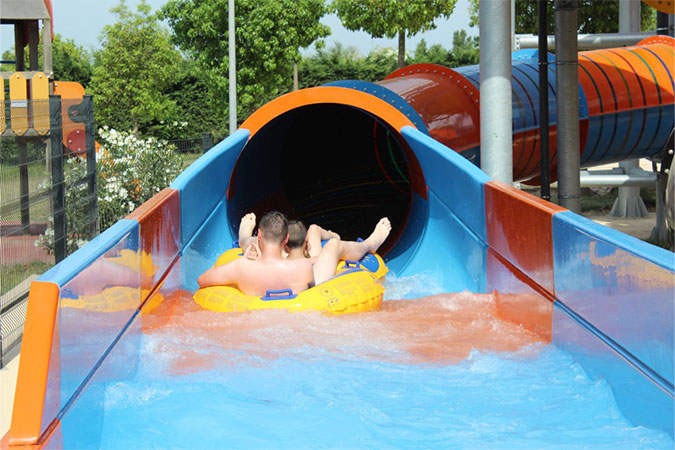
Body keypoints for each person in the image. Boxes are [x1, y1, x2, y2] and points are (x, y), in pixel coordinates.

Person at [197, 211, 391, 296]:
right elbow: (317, 259)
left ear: (260, 235)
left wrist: (249, 257)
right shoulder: (303, 267)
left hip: (255, 275)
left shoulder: (240, 267)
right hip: (303, 282)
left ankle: (244, 239)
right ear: (286, 240)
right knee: (333, 246)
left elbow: (202, 280)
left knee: (250, 246)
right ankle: (370, 243)